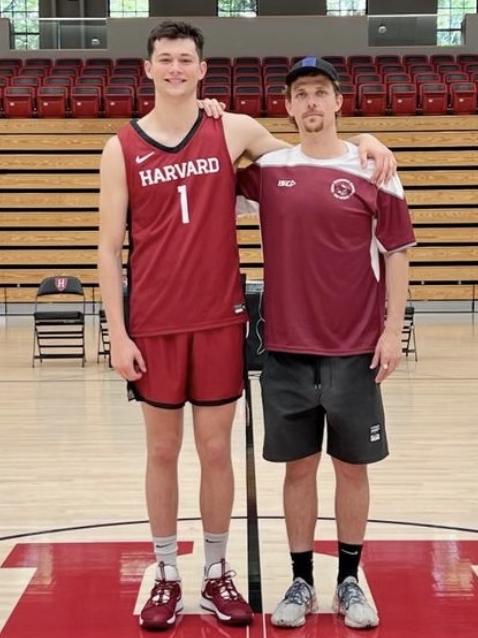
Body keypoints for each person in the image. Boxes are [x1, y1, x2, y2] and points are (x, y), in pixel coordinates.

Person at [98, 21, 396, 631]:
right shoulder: (119, 147)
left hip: (220, 319)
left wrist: (369, 138)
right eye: (166, 59)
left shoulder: (231, 130)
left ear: (203, 70)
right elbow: (107, 250)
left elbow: (307, 154)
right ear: (149, 68)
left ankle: (215, 573)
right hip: (153, 322)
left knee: (215, 453)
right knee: (161, 450)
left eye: (187, 59)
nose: (176, 68)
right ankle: (166, 574)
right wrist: (117, 331)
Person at [237, 57, 416, 629]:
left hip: (355, 349)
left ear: (338, 102)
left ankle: (347, 580)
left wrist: (392, 330)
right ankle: (299, 581)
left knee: (352, 470)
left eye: (321, 92)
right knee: (297, 471)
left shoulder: (375, 168)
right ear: (287, 107)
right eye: (301, 95)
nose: (311, 102)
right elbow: (212, 156)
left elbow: (397, 253)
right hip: (287, 349)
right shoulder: (269, 170)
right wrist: (215, 111)